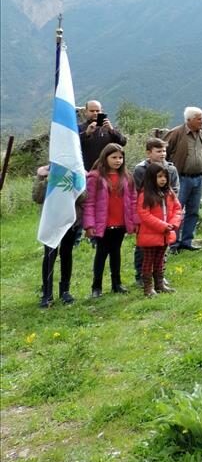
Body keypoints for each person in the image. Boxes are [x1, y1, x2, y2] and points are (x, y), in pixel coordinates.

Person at [83, 143, 138, 297]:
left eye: (120, 157)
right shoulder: (95, 177)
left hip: (120, 222)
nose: (118, 160)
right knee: (101, 254)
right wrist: (89, 224)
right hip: (103, 223)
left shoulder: (127, 177)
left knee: (116, 253)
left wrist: (134, 221)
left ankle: (117, 284)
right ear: (105, 157)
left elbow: (133, 200)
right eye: (114, 157)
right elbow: (89, 202)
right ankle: (96, 287)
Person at [131, 138, 180, 287]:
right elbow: (139, 197)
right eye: (158, 151)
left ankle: (159, 279)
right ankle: (143, 278)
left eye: (164, 150)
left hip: (166, 220)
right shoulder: (141, 170)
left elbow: (176, 195)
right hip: (150, 222)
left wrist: (172, 223)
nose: (162, 154)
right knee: (145, 253)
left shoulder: (171, 169)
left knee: (161, 253)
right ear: (149, 152)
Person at [33, 165, 83, 307]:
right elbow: (37, 197)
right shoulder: (48, 172)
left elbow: (83, 197)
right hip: (51, 221)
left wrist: (78, 179)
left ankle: (65, 291)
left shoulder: (75, 169)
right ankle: (47, 293)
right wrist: (42, 178)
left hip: (70, 221)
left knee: (66, 253)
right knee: (50, 254)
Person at [164, 106, 202, 252]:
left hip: (198, 179)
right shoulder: (176, 133)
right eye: (199, 119)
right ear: (189, 120)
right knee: (176, 211)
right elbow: (164, 152)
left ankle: (187, 240)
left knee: (193, 211)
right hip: (181, 178)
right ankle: (173, 243)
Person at [135, 162, 182, 297]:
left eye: (165, 177)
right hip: (151, 234)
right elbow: (144, 214)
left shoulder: (169, 193)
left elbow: (177, 209)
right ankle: (148, 287)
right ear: (151, 178)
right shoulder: (145, 194)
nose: (163, 180)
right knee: (148, 260)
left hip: (165, 233)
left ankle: (159, 284)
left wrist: (173, 223)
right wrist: (162, 225)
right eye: (159, 177)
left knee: (160, 259)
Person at [78, 100, 127, 172]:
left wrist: (111, 130)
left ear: (102, 111)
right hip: (86, 170)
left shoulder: (110, 128)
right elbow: (72, 145)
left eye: (97, 111)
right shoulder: (79, 128)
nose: (95, 113)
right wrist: (86, 133)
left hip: (107, 171)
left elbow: (123, 142)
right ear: (86, 112)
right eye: (92, 111)